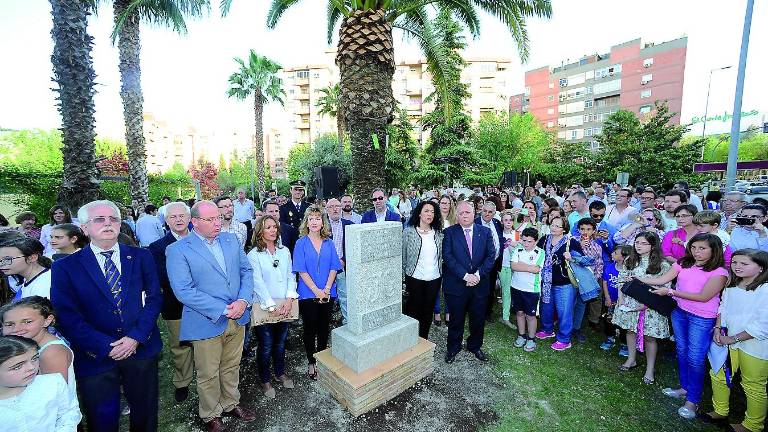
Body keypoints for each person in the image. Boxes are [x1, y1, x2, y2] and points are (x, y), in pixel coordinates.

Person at [50, 199, 163, 431]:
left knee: (145, 412)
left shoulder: (141, 256)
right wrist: (106, 345)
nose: (107, 224)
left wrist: (135, 338)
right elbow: (66, 314)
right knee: (102, 418)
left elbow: (153, 299)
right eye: (99, 219)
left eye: (113, 219)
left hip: (140, 348)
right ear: (84, 228)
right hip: (95, 355)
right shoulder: (65, 267)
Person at [166, 200, 256, 431]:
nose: (219, 222)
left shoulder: (230, 240)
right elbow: (184, 291)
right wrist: (225, 309)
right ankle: (210, 414)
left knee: (231, 366)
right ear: (194, 222)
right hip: (206, 321)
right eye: (211, 219)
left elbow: (246, 271)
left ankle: (230, 402)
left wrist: (243, 301)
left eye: (219, 217)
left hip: (238, 317)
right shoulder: (178, 250)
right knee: (207, 372)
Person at [641, 233, 728, 419]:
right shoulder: (683, 262)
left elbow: (704, 297)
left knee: (695, 358)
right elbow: (662, 280)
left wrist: (672, 292)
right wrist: (640, 279)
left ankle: (693, 400)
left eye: (702, 248)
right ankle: (684, 387)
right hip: (680, 313)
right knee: (681, 351)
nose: (697, 252)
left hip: (702, 318)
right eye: (694, 247)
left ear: (714, 250)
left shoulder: (720, 272)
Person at [704, 249, 768, 432]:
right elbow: (723, 308)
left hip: (755, 345)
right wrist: (717, 328)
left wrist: (732, 338)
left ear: (761, 268)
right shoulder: (732, 285)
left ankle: (753, 425)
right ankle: (720, 411)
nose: (737, 267)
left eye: (744, 263)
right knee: (718, 374)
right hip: (726, 339)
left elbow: (763, 325)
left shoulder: (765, 290)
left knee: (753, 385)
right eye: (734, 263)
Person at [147, 202, 194, 403]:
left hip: (203, 305)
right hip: (175, 305)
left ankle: (203, 377)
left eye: (182, 216)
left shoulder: (202, 241)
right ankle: (182, 382)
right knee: (180, 346)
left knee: (203, 345)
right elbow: (164, 277)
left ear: (190, 218)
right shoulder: (157, 248)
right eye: (173, 217)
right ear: (166, 221)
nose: (179, 220)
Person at [247, 215, 298, 399]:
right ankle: (265, 379)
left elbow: (291, 276)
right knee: (266, 345)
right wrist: (270, 306)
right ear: (260, 231)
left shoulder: (284, 251)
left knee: (280, 342)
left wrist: (289, 299)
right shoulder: (253, 255)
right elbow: (257, 283)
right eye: (268, 227)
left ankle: (280, 372)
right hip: (264, 306)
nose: (273, 230)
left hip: (284, 305)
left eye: (274, 227)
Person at [611, 232, 670, 385]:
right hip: (630, 303)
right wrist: (621, 300)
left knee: (650, 337)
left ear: (653, 246)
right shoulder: (630, 260)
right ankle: (631, 359)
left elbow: (665, 287)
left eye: (644, 243)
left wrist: (646, 304)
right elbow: (621, 280)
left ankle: (650, 369)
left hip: (650, 306)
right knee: (630, 330)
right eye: (637, 242)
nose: (639, 246)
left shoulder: (662, 265)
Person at [442, 201, 496, 363]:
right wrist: (466, 276)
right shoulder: (449, 232)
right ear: (456, 216)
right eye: (461, 213)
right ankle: (453, 348)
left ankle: (474, 346)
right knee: (456, 319)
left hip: (480, 285)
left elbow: (490, 256)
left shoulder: (485, 232)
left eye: (468, 212)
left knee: (478, 319)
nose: (465, 215)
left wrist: (478, 275)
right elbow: (448, 257)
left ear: (474, 214)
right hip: (457, 285)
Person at [293, 205, 342, 379]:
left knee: (323, 328)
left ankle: (321, 359)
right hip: (308, 294)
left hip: (328, 292)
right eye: (311, 218)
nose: (314, 222)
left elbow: (334, 267)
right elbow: (301, 270)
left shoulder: (329, 242)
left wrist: (327, 289)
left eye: (318, 218)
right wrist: (316, 291)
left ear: (323, 222)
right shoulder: (301, 243)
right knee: (309, 329)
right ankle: (311, 361)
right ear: (306, 222)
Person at [1, 296, 76, 403]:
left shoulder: (52, 352)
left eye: (27, 322)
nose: (16, 329)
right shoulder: (24, 346)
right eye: (9, 324)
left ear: (47, 321)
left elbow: (53, 396)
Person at [0, 335, 81, 431]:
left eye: (34, 358)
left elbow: (69, 413)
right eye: (17, 366)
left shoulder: (53, 383)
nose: (31, 367)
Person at [535, 217, 584, 351]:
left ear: (564, 229)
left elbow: (583, 260)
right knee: (546, 307)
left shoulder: (571, 242)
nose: (554, 228)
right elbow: (535, 253)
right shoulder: (544, 239)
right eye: (552, 225)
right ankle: (547, 329)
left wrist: (572, 257)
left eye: (558, 226)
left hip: (565, 283)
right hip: (546, 281)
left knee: (564, 311)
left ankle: (564, 339)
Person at [403, 201, 444, 339]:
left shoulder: (438, 233)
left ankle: (423, 338)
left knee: (427, 311)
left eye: (432, 212)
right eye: (426, 211)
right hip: (414, 278)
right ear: (419, 213)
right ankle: (410, 338)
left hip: (434, 279)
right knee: (413, 311)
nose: (430, 214)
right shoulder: (409, 232)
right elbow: (403, 257)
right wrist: (403, 279)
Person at [508, 227, 545, 352]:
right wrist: (529, 267)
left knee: (530, 315)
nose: (526, 244)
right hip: (516, 287)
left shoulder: (540, 252)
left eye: (529, 241)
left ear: (535, 241)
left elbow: (536, 269)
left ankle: (531, 338)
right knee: (519, 313)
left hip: (531, 290)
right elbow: (513, 266)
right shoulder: (517, 249)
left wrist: (521, 265)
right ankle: (521, 335)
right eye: (524, 241)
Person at [572, 218, 604, 343]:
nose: (585, 232)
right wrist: (580, 246)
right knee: (570, 303)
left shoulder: (596, 246)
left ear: (593, 231)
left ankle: (576, 328)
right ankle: (566, 327)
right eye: (582, 229)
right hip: (572, 278)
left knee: (581, 304)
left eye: (588, 229)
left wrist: (595, 279)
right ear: (578, 230)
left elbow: (599, 264)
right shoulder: (572, 241)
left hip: (587, 280)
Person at [325, 198, 353, 324]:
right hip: (325, 269)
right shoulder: (321, 226)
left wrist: (344, 260)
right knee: (325, 296)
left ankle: (348, 322)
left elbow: (353, 247)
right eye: (331, 207)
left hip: (342, 268)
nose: (335, 209)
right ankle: (325, 324)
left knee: (345, 296)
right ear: (327, 210)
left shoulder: (350, 225)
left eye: (337, 206)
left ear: (341, 208)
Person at [600, 245, 632, 352]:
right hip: (611, 301)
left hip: (623, 303)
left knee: (623, 324)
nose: (612, 254)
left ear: (624, 257)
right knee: (609, 320)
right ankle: (610, 338)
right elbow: (605, 282)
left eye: (615, 253)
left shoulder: (629, 271)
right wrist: (607, 297)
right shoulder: (609, 266)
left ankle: (624, 343)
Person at [0, 236, 51, 300]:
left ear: (32, 257)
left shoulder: (43, 286)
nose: (1, 264)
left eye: (7, 259)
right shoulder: (31, 278)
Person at [475, 202, 503, 320]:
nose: (487, 214)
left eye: (490, 212)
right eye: (484, 210)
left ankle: (487, 312)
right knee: (477, 288)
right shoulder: (475, 223)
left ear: (494, 213)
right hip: (478, 263)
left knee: (490, 288)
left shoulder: (496, 223)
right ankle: (475, 311)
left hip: (494, 262)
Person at [434, 194, 457, 327]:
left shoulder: (454, 220)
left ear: (450, 205)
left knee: (449, 286)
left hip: (450, 258)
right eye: (442, 203)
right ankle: (436, 312)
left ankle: (448, 312)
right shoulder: (434, 220)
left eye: (447, 203)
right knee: (436, 286)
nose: (444, 205)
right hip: (435, 257)